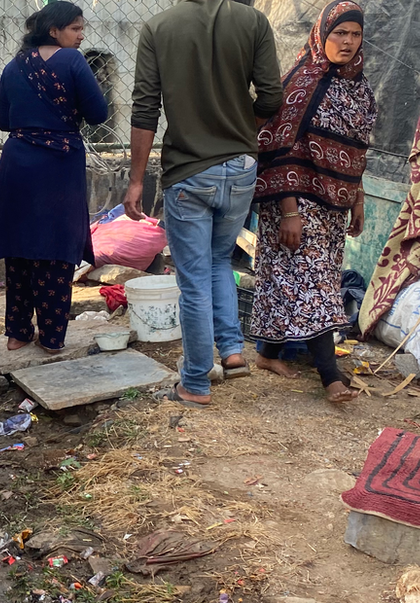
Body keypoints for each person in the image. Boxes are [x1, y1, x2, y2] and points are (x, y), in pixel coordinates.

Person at [123, 0, 282, 405]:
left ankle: (195, 382)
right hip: (242, 167)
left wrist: (137, 180)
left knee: (193, 280)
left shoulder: (158, 28)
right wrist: (242, 127)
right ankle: (232, 351)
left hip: (189, 172)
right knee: (219, 261)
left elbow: (145, 109)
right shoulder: (253, 21)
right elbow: (271, 96)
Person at [248, 0, 376, 404]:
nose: (348, 42)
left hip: (333, 203)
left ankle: (268, 354)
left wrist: (357, 199)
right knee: (315, 281)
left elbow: (357, 151)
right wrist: (289, 211)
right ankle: (330, 376)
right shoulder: (300, 82)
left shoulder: (359, 89)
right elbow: (274, 146)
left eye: (355, 35)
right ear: (322, 34)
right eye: (340, 33)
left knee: (292, 278)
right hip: (293, 199)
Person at [0, 1, 109, 354]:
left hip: (18, 163)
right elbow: (98, 114)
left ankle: (17, 333)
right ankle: (52, 337)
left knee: (19, 247)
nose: (81, 36)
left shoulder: (14, 65)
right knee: (55, 248)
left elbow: (4, 121)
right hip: (59, 165)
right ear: (54, 31)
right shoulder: (73, 61)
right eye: (76, 29)